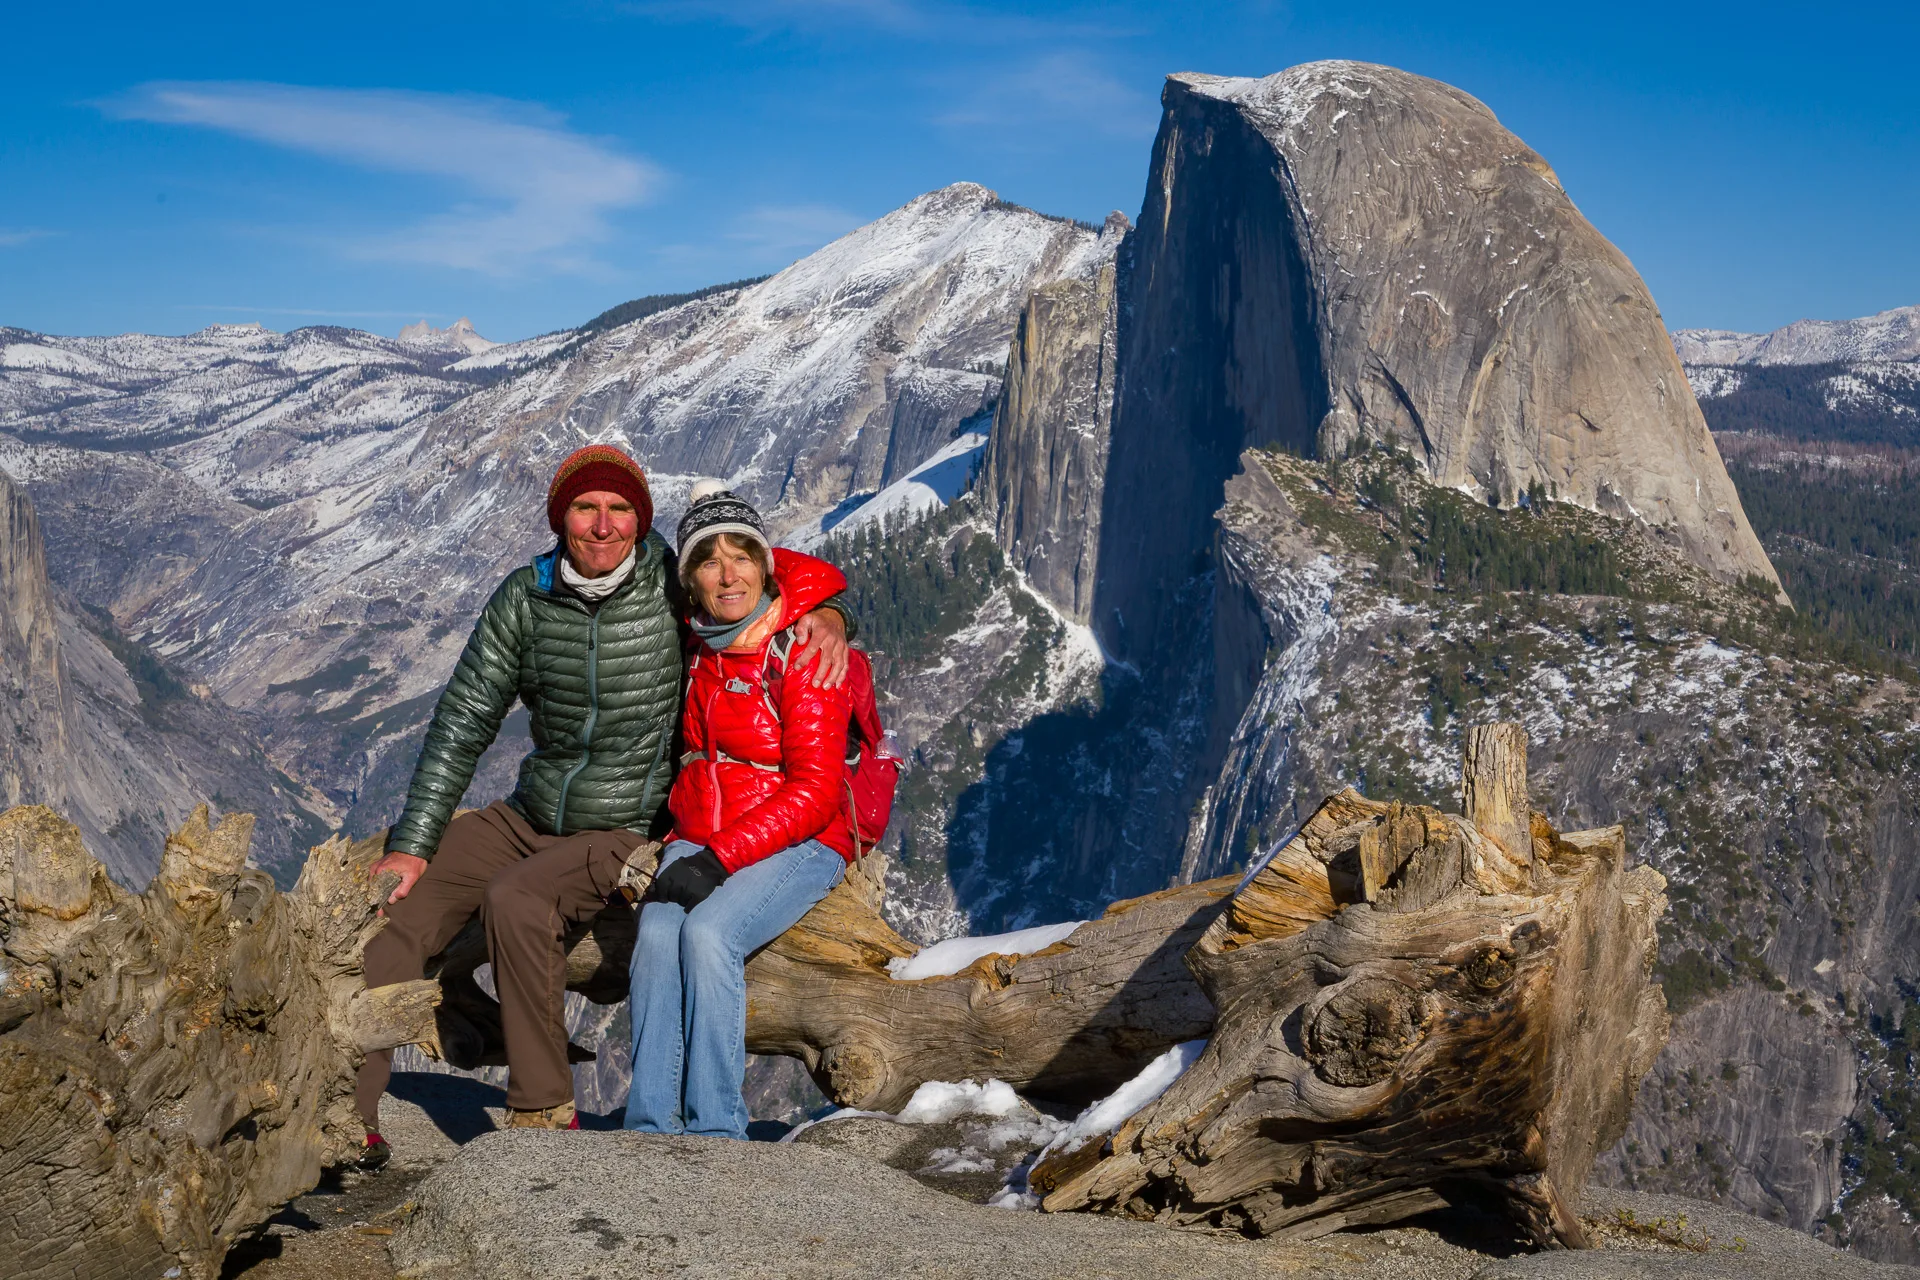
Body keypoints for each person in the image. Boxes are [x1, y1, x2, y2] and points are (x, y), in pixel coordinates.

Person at [354, 445, 854, 1163]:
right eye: (585, 508)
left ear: (641, 520)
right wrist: (413, 842)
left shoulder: (666, 582)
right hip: (529, 813)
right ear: (561, 519)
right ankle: (350, 1114)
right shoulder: (524, 597)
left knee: (516, 900)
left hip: (625, 825)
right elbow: (463, 720)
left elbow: (757, 572)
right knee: (401, 915)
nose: (603, 525)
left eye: (620, 509)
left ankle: (542, 1114)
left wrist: (827, 611)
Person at [624, 483, 861, 1139]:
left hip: (803, 842)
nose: (728, 574)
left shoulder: (803, 650)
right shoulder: (700, 639)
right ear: (691, 581)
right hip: (701, 831)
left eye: (741, 555)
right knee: (653, 938)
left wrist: (720, 859)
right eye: (708, 559)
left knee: (708, 936)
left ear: (766, 563)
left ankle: (716, 1129)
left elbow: (815, 793)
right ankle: (648, 1126)